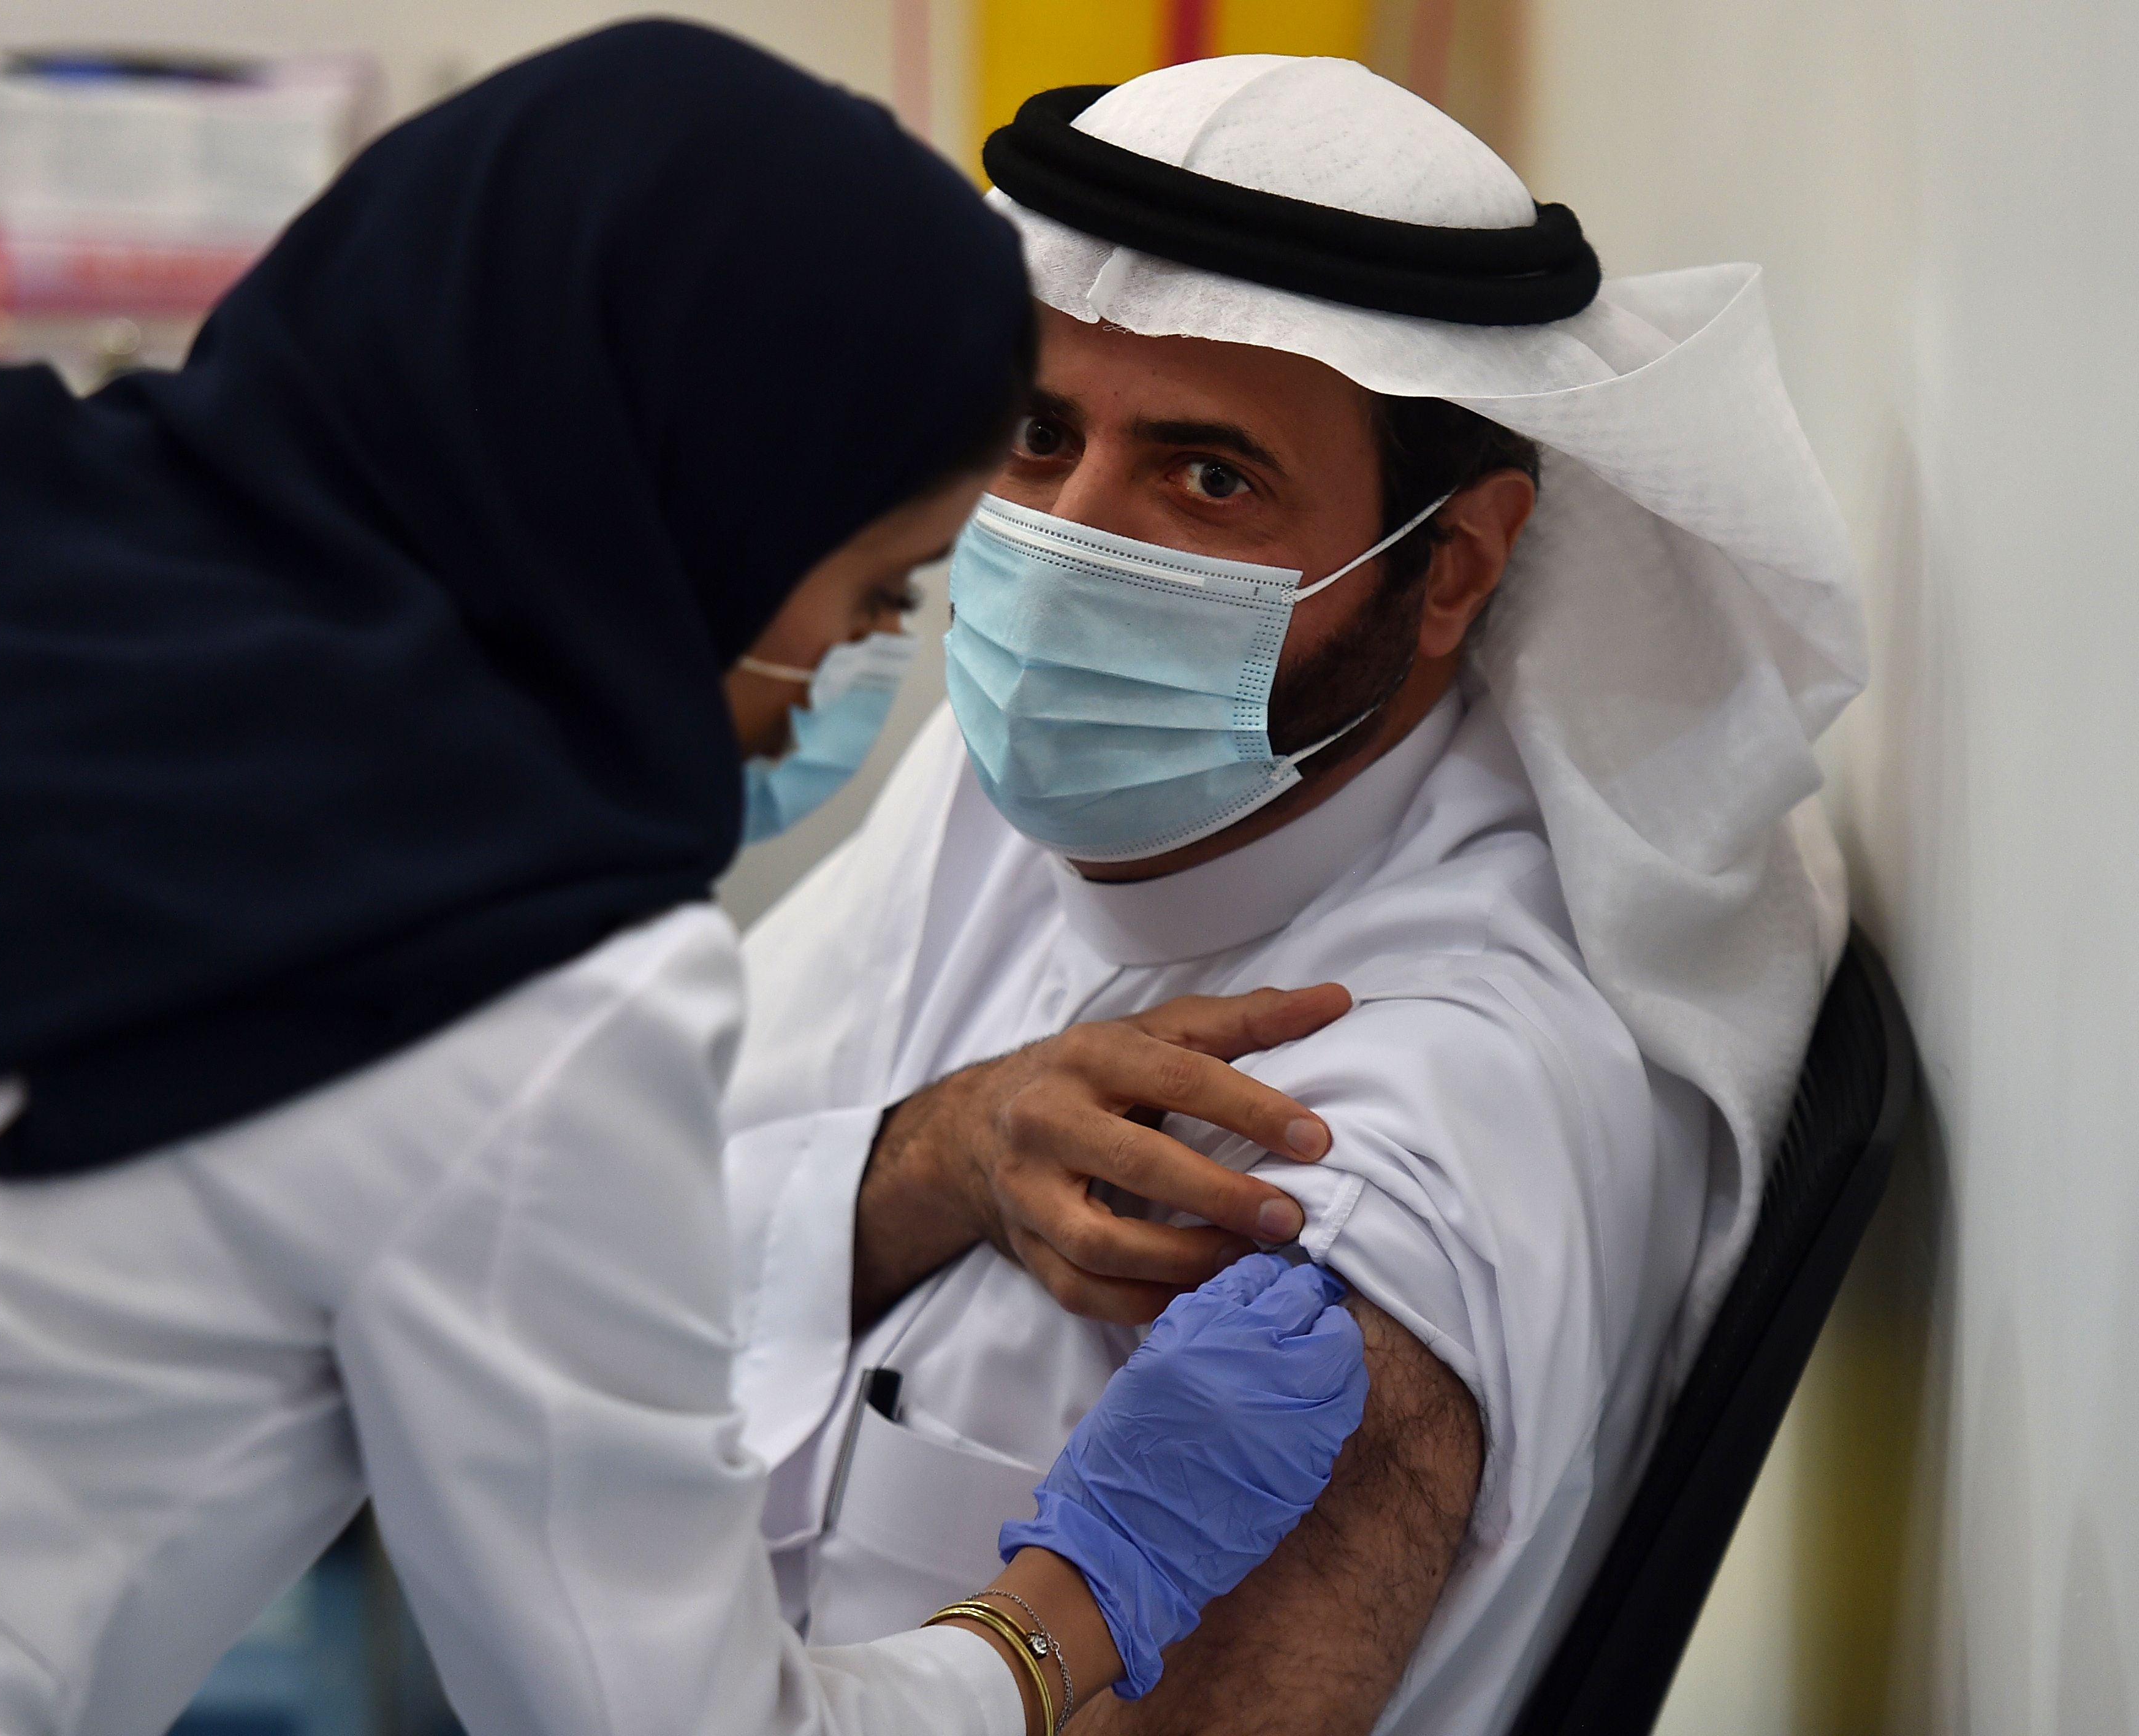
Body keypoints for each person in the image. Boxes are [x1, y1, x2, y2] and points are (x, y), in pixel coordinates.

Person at [0, 25, 1375, 1736]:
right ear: (696, 513)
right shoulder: (521, 972)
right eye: (878, 591)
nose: (836, 679)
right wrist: (1065, 1615)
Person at [723, 55, 1868, 1735]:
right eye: (1041, 437)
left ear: (1454, 565)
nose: (1067, 544)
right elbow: (619, 1235)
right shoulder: (996, 788)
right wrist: (942, 1154)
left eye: (1207, 479)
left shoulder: (1418, 1121)